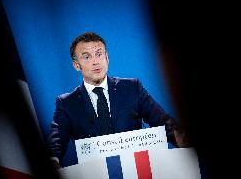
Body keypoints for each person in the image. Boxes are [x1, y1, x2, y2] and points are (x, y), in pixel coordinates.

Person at [48, 32, 189, 168]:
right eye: (87, 57)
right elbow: (56, 141)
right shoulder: (67, 103)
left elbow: (162, 121)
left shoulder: (132, 88)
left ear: (107, 58)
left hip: (137, 169)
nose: (95, 62)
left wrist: (181, 138)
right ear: (76, 65)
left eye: (99, 54)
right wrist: (53, 160)